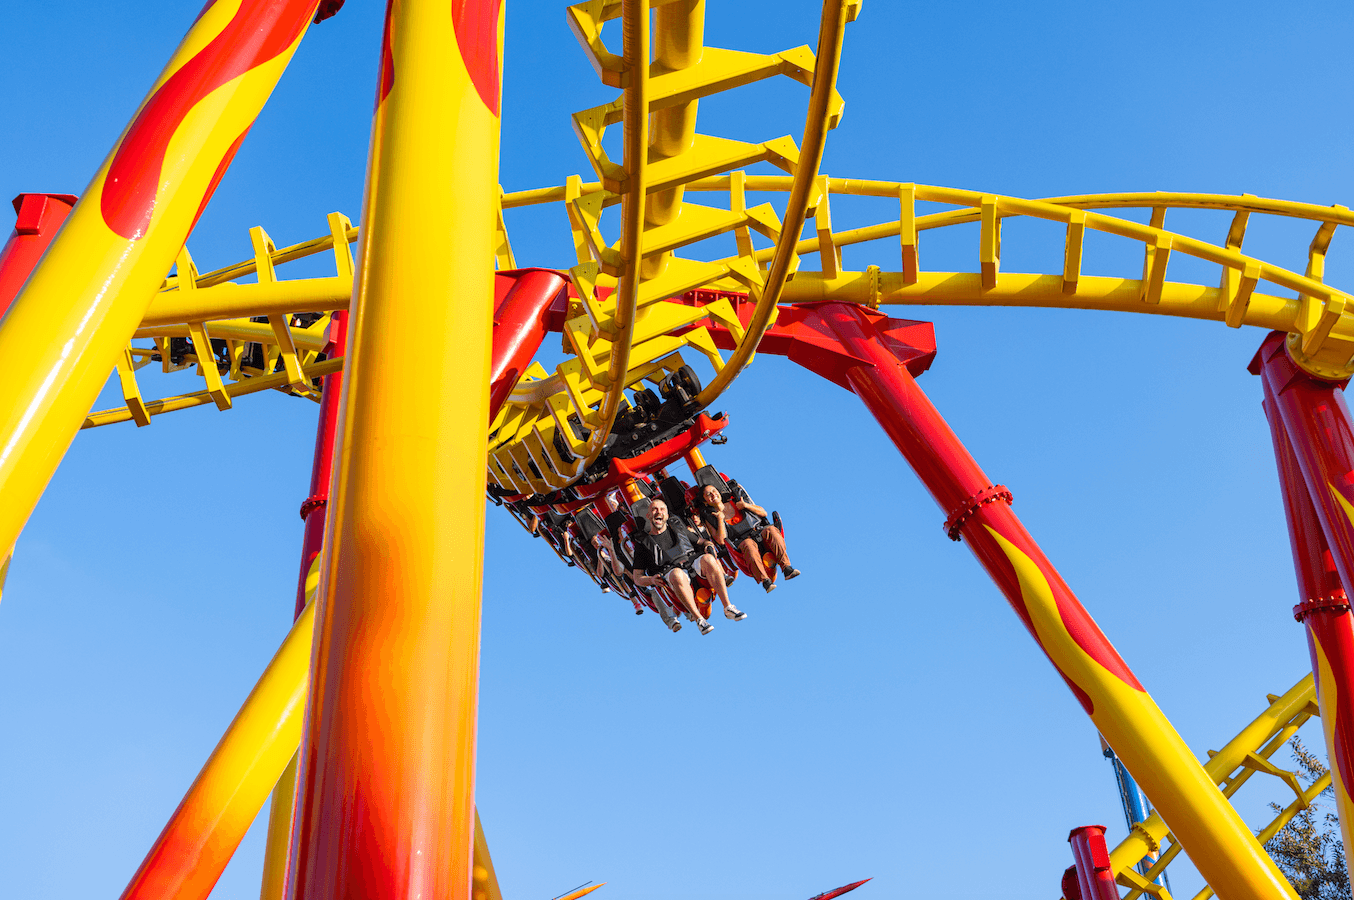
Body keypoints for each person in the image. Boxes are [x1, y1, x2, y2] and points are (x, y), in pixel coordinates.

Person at [629, 498, 745, 635]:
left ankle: (728, 607)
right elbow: (637, 578)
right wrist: (652, 580)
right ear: (648, 516)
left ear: (666, 515)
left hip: (691, 564)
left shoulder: (678, 528)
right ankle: (699, 620)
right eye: (654, 509)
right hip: (670, 574)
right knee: (677, 573)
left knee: (708, 558)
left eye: (661, 509)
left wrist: (708, 545)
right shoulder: (642, 544)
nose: (658, 512)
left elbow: (700, 541)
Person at [696, 481, 799, 592]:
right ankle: (765, 581)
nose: (713, 495)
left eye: (714, 491)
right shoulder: (711, 517)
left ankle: (787, 568)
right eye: (708, 494)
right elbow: (721, 541)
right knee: (748, 544)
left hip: (758, 530)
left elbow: (763, 513)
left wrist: (746, 505)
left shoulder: (736, 501)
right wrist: (720, 519)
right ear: (705, 501)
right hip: (741, 541)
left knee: (771, 530)